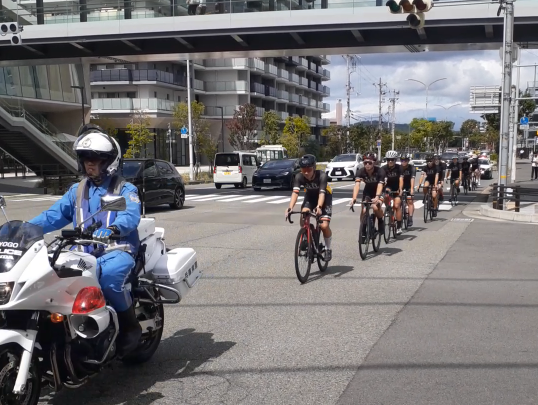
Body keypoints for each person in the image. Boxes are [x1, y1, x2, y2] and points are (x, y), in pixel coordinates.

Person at [28, 124, 142, 357]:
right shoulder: (77, 190)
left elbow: (130, 215)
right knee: (51, 275)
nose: (90, 163)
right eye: (86, 158)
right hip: (83, 251)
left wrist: (113, 228)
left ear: (109, 161)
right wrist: (25, 229)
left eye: (96, 158)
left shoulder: (124, 188)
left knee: (108, 277)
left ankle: (130, 327)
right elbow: (53, 216)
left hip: (117, 248)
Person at [285, 154, 333, 261]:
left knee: (324, 225)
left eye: (309, 169)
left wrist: (319, 207)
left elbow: (321, 194)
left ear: (314, 168)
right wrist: (290, 207)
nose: (306, 172)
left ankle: (328, 248)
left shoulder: (322, 176)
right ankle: (307, 236)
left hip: (325, 197)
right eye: (303, 169)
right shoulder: (299, 177)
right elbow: (295, 193)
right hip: (310, 197)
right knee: (304, 213)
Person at [351, 152, 386, 241]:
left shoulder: (380, 171)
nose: (367, 165)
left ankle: (380, 221)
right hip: (368, 191)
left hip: (380, 191)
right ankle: (363, 230)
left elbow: (380, 185)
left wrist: (377, 197)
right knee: (363, 210)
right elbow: (357, 185)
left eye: (369, 163)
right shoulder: (360, 171)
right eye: (365, 162)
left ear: (374, 163)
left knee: (375, 207)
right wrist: (354, 198)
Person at [381, 150, 404, 235]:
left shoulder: (399, 168)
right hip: (388, 187)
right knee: (386, 193)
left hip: (397, 187)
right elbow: (381, 181)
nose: (390, 161)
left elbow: (401, 179)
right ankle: (388, 209)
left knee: (397, 205)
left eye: (392, 160)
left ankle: (399, 226)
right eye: (388, 160)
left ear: (395, 160)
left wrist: (400, 189)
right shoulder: (383, 168)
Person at [400, 154, 416, 227]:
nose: (403, 162)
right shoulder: (399, 168)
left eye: (405, 160)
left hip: (409, 185)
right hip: (401, 185)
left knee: (410, 201)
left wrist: (412, 189)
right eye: (402, 160)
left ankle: (410, 217)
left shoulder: (412, 168)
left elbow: (412, 179)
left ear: (408, 161)